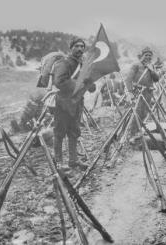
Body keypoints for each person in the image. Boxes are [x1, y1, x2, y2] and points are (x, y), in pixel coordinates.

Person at [52, 37, 96, 171]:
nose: (80, 49)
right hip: (63, 103)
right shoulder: (64, 63)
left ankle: (73, 161)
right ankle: (58, 163)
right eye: (77, 46)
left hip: (77, 103)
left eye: (82, 46)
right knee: (59, 133)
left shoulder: (83, 64)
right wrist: (79, 84)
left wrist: (90, 84)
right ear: (71, 48)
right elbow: (59, 82)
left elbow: (89, 84)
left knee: (74, 132)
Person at [125, 47, 159, 138]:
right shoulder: (136, 65)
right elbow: (128, 79)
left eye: (149, 55)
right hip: (138, 92)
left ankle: (139, 131)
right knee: (137, 112)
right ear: (142, 56)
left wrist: (151, 70)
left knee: (144, 113)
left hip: (148, 92)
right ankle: (132, 134)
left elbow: (156, 79)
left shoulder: (152, 66)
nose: (148, 57)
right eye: (146, 55)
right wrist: (130, 92)